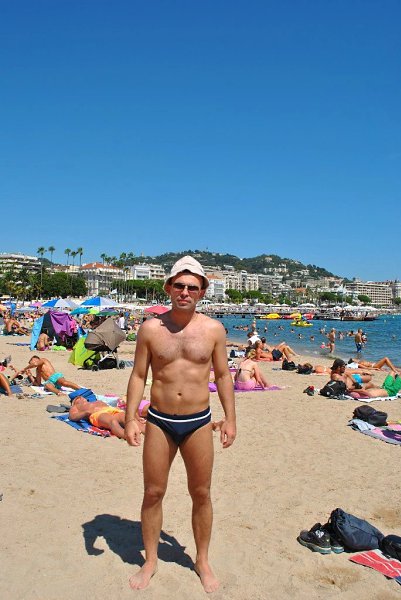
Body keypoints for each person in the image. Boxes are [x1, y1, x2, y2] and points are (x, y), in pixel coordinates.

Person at [124, 255, 236, 593]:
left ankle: (202, 560)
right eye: (179, 285)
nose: (185, 292)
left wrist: (230, 418)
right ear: (168, 288)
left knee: (201, 493)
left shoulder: (213, 330)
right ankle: (150, 560)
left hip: (198, 422)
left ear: (202, 292)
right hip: (159, 420)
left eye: (192, 287)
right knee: (153, 492)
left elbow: (223, 375)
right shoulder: (150, 329)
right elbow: (138, 375)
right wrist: (130, 418)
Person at [69, 396, 149, 437]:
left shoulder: (95, 401)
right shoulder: (75, 407)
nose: (80, 398)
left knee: (129, 419)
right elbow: (72, 417)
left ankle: (148, 433)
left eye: (81, 397)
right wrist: (85, 413)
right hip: (97, 414)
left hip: (111, 410)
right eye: (77, 398)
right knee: (112, 421)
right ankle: (126, 435)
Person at [16, 356, 81, 395]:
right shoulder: (38, 370)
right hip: (49, 381)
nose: (31, 364)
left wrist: (25, 369)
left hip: (55, 376)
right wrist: (30, 375)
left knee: (64, 383)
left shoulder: (43, 360)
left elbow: (35, 364)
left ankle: (80, 389)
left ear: (36, 359)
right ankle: (59, 393)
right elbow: (38, 383)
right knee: (47, 385)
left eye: (31, 361)